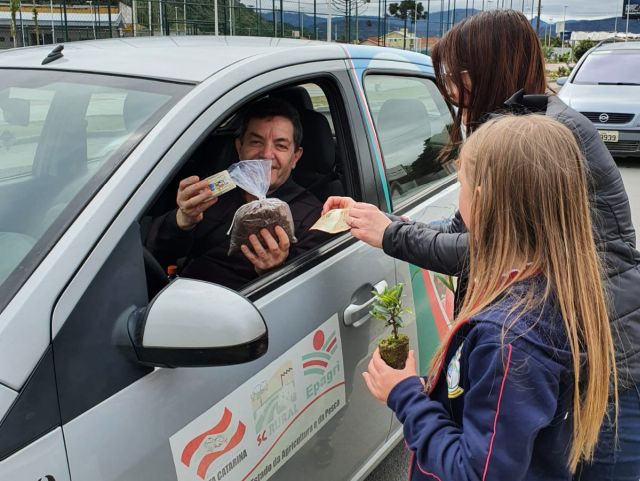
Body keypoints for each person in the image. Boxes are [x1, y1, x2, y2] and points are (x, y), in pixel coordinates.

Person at [325, 10, 640, 480]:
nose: (450, 89)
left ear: (492, 65)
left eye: (457, 74)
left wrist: (391, 234)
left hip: (606, 367)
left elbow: (483, 246)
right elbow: (468, 230)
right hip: (575, 353)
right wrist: (384, 220)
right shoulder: (521, 130)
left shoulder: (542, 139)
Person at [363, 114, 618, 481]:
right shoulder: (551, 291)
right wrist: (431, 395)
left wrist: (405, 396)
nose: (459, 196)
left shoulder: (509, 341)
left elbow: (476, 473)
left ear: (481, 202)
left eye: (461, 184)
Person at [147, 97, 329, 290]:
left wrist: (273, 271)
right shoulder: (214, 192)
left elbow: (299, 294)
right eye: (256, 142)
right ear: (239, 148)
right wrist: (182, 220)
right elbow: (158, 254)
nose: (267, 155)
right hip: (176, 293)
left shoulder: (313, 217)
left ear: (295, 157)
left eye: (281, 146)